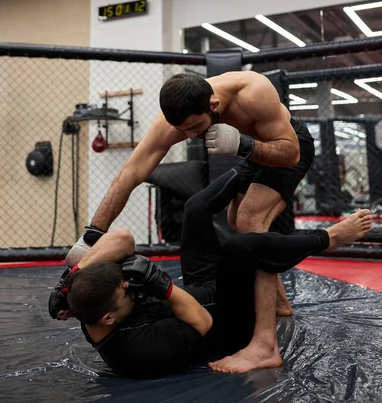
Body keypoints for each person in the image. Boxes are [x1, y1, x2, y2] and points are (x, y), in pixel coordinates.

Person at [52, 70, 317, 369]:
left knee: (249, 223)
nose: (191, 136)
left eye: (196, 126)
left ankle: (265, 346)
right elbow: (130, 173)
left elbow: (291, 153)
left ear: (213, 105)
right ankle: (279, 303)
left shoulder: (253, 92)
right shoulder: (173, 123)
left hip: (285, 145)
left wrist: (244, 145)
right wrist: (92, 236)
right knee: (234, 218)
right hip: (251, 151)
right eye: (183, 130)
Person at [55, 167, 372, 377]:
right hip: (224, 322)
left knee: (195, 209)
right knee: (240, 247)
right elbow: (201, 320)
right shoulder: (136, 350)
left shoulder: (88, 299)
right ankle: (328, 238)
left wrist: (70, 279)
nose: (128, 286)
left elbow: (121, 237)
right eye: (124, 291)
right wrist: (159, 283)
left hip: (198, 290)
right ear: (108, 318)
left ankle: (249, 166)